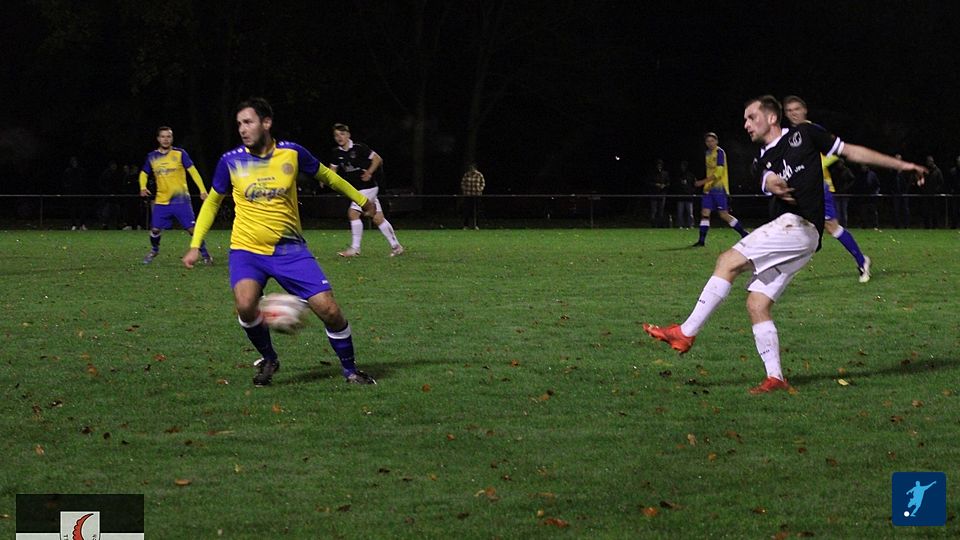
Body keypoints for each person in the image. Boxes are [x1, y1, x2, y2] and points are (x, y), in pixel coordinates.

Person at [643, 95, 925, 394]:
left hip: (797, 226)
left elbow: (850, 151)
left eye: (751, 117)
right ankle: (775, 377)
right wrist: (771, 182)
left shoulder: (805, 134)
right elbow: (765, 175)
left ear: (771, 118)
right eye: (745, 119)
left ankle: (686, 332)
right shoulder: (761, 160)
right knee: (757, 303)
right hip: (802, 238)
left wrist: (902, 165)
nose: (746, 124)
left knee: (727, 261)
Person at [182, 97, 378, 387]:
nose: (242, 129)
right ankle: (269, 358)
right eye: (239, 124)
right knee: (245, 305)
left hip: (290, 249)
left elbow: (328, 176)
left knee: (329, 310)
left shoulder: (292, 153)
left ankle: (350, 370)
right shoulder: (230, 161)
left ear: (266, 123)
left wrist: (362, 200)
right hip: (247, 249)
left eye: (248, 122)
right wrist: (195, 244)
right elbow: (212, 202)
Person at [783, 96, 872, 282]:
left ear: (804, 110)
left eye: (796, 109)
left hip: (819, 187)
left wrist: (816, 165)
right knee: (794, 225)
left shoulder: (815, 130)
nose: (793, 113)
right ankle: (786, 268)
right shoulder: (790, 135)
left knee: (832, 227)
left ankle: (862, 261)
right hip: (799, 188)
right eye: (789, 111)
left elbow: (835, 153)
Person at [139, 126, 211, 264]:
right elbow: (144, 173)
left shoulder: (180, 153)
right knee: (155, 229)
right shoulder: (152, 156)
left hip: (181, 200)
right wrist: (142, 186)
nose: (166, 139)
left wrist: (202, 190)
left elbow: (193, 171)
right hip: (161, 201)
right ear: (158, 139)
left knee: (192, 230)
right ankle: (154, 250)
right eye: (163, 136)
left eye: (168, 136)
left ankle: (205, 254)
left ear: (172, 138)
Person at [329, 123, 403, 257]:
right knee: (378, 218)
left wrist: (369, 172)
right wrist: (327, 179)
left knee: (353, 213)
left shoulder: (359, 148)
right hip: (357, 189)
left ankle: (355, 248)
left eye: (342, 134)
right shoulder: (336, 153)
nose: (339, 137)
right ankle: (396, 247)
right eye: (336, 135)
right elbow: (332, 170)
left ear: (348, 135)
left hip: (368, 187)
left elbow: (377, 159)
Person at [692, 132, 749, 246]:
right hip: (708, 189)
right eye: (708, 141)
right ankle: (701, 241)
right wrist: (706, 184)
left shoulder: (720, 152)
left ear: (717, 141)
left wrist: (702, 182)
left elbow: (718, 172)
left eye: (712, 141)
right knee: (705, 213)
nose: (710, 143)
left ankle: (744, 234)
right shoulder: (707, 153)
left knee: (723, 215)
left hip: (719, 188)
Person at [62, 156, 89, 230]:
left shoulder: (81, 171)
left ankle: (82, 224)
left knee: (82, 209)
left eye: (76, 162)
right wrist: (68, 189)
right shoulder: (67, 171)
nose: (75, 163)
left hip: (81, 193)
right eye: (73, 162)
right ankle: (73, 224)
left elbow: (85, 181)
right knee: (72, 209)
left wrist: (84, 190)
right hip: (72, 193)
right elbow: (64, 182)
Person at [918, 156, 943, 229]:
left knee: (935, 211)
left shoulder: (937, 171)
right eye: (928, 161)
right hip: (926, 195)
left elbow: (941, 183)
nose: (929, 163)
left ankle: (935, 226)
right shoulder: (925, 171)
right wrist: (922, 188)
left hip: (934, 195)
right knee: (926, 211)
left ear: (932, 162)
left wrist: (936, 190)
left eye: (930, 161)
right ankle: (927, 226)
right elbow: (921, 180)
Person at [672, 160, 697, 229]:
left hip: (689, 197)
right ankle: (680, 225)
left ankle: (691, 225)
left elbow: (695, 185)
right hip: (680, 196)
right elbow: (675, 185)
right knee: (680, 213)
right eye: (682, 166)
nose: (683, 167)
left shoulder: (691, 175)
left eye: (684, 166)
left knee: (690, 213)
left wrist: (692, 192)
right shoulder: (679, 175)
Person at [460, 162, 485, 229]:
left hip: (476, 195)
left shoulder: (479, 175)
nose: (471, 169)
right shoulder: (466, 175)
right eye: (470, 168)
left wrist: (480, 189)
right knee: (467, 210)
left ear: (475, 168)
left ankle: (476, 225)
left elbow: (483, 183)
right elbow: (463, 183)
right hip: (468, 195)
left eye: (472, 168)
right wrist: (464, 190)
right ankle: (466, 225)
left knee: (476, 211)